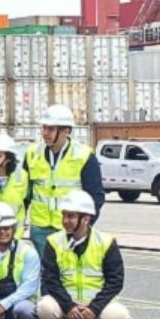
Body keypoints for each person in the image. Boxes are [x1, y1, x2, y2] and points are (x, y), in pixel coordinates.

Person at [36, 190, 129, 319]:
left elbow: (116, 280)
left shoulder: (106, 242)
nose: (65, 221)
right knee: (43, 308)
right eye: (64, 215)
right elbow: (50, 279)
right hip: (67, 302)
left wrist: (94, 307)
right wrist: (68, 305)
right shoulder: (54, 241)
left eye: (71, 216)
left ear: (85, 219)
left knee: (119, 318)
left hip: (96, 303)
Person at [24, 106, 105, 248]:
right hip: (40, 229)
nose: (45, 133)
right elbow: (23, 194)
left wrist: (83, 227)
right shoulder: (32, 153)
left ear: (66, 131)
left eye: (50, 129)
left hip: (70, 229)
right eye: (43, 128)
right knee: (45, 270)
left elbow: (95, 197)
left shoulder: (84, 156)